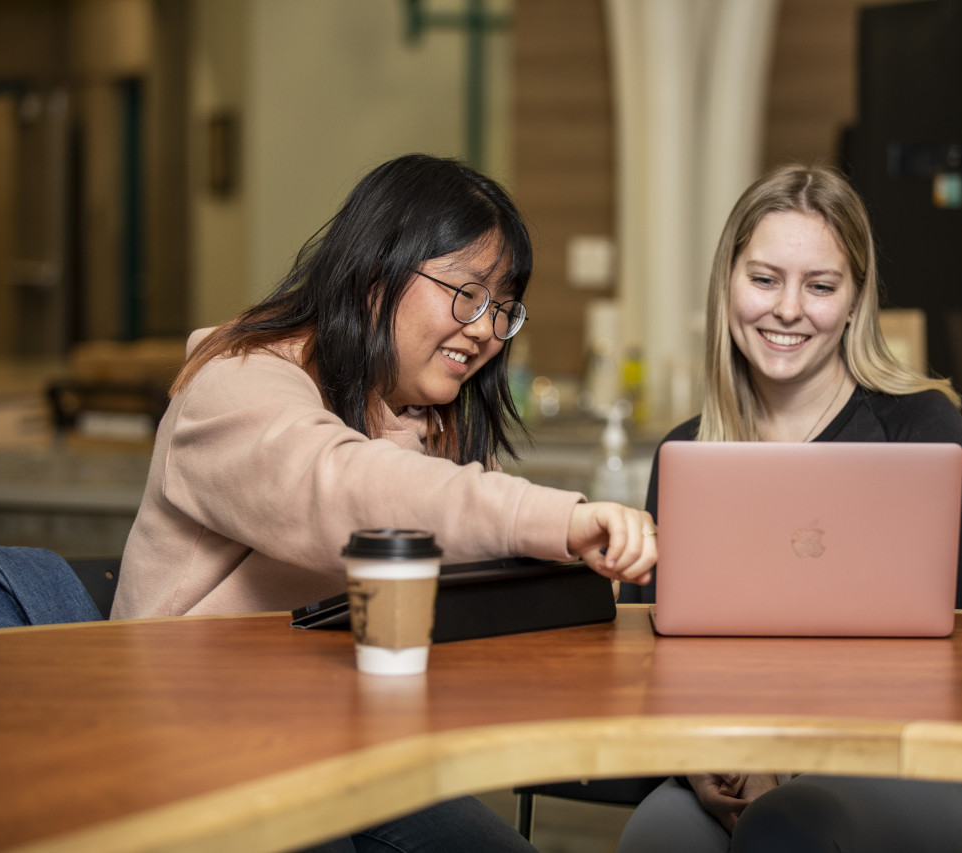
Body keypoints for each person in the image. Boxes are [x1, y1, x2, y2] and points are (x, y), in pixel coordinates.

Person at [111, 153, 656, 853]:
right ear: (376, 275)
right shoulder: (236, 383)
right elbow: (346, 490)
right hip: (195, 747)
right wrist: (559, 518)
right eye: (466, 295)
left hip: (343, 754)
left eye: (502, 308)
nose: (486, 329)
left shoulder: (431, 425)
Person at [615, 164, 962, 853]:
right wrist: (697, 758)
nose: (788, 309)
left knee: (787, 827)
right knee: (657, 836)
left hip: (897, 758)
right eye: (764, 279)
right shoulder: (685, 452)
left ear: (854, 301)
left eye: (819, 286)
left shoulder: (921, 427)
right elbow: (657, 658)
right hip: (723, 756)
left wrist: (787, 763)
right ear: (728, 286)